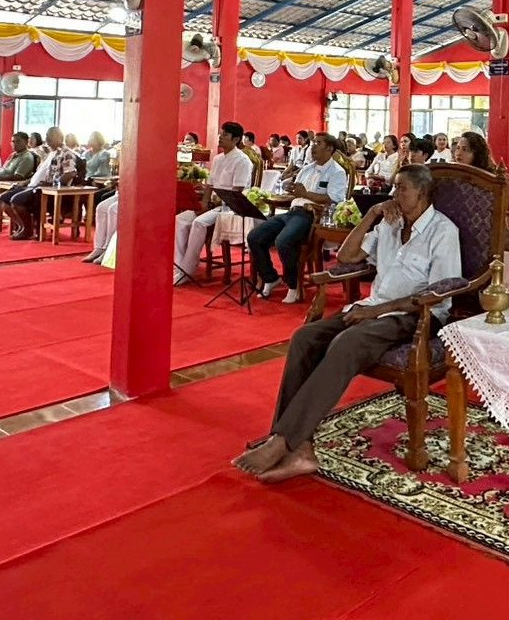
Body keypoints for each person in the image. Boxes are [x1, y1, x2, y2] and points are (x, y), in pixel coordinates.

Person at [235, 163, 461, 483]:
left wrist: (374, 312)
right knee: (305, 337)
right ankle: (301, 448)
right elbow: (346, 256)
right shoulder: (391, 224)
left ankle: (284, 441)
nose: (393, 194)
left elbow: (438, 294)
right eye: (394, 188)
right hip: (372, 307)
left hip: (413, 316)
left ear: (422, 193)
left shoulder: (443, 231)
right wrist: (372, 216)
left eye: (401, 189)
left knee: (346, 343)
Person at [249, 132, 349, 304]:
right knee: (255, 236)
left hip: (311, 214)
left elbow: (336, 199)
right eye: (313, 143)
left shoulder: (337, 172)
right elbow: (298, 191)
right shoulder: (307, 168)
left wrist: (306, 194)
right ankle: (271, 277)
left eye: (318, 143)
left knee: (283, 241)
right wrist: (291, 188)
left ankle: (293, 285)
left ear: (330, 148)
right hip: (292, 210)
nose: (313, 146)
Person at [175, 123, 254, 282]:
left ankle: (187, 269)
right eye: (221, 133)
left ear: (236, 139)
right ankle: (178, 265)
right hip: (212, 205)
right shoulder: (218, 159)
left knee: (199, 223)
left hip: (230, 207)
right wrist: (204, 204)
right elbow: (209, 186)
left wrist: (214, 204)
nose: (220, 137)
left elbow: (237, 191)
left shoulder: (243, 161)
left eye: (225, 134)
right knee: (180, 220)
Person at [3, 127, 77, 240]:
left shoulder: (66, 153)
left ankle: (27, 230)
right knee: (3, 199)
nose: (47, 139)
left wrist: (53, 183)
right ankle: (24, 227)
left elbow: (70, 173)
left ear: (60, 138)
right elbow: (38, 173)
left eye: (50, 136)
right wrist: (25, 182)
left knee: (16, 200)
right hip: (33, 185)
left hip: (47, 190)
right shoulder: (49, 154)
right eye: (46, 136)